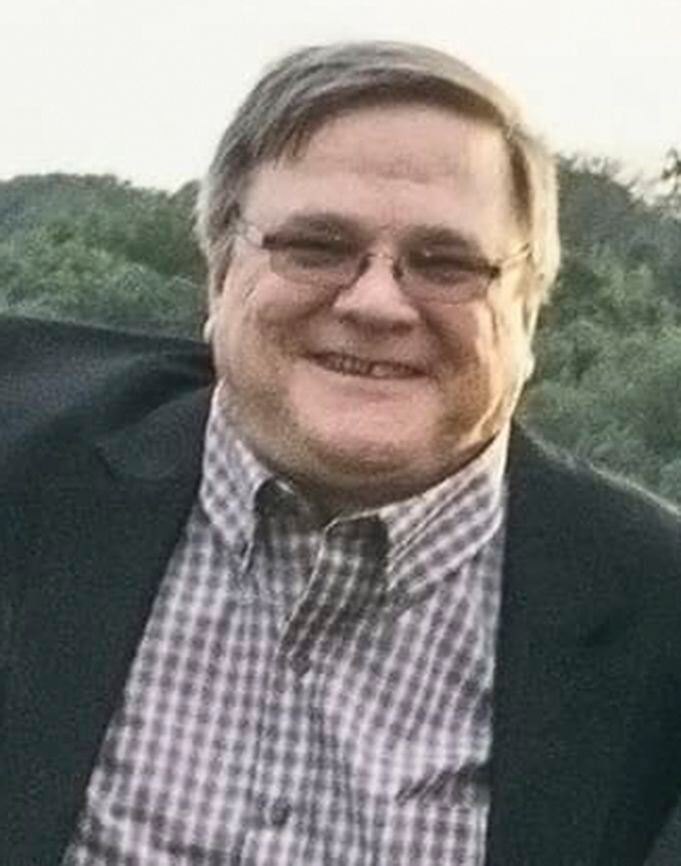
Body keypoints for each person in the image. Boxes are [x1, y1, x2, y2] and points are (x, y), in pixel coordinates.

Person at [1, 41, 681, 866]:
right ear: (218, 276)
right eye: (315, 246)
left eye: (446, 263)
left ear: (527, 312)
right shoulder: (29, 470)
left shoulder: (657, 617)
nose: (375, 304)